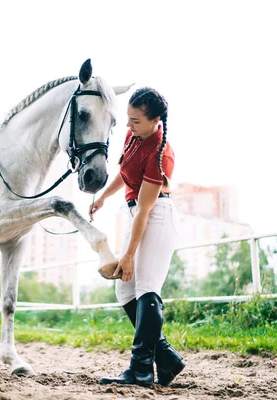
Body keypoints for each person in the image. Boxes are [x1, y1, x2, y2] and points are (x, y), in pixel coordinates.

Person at [90, 87, 185, 386]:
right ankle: (166, 358)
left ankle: (141, 369)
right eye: (128, 120)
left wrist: (129, 253)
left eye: (136, 121)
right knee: (125, 291)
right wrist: (104, 196)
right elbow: (126, 171)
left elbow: (146, 209)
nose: (129, 127)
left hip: (156, 217)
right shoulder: (135, 136)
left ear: (156, 120)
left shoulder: (160, 153)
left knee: (146, 288)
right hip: (136, 215)